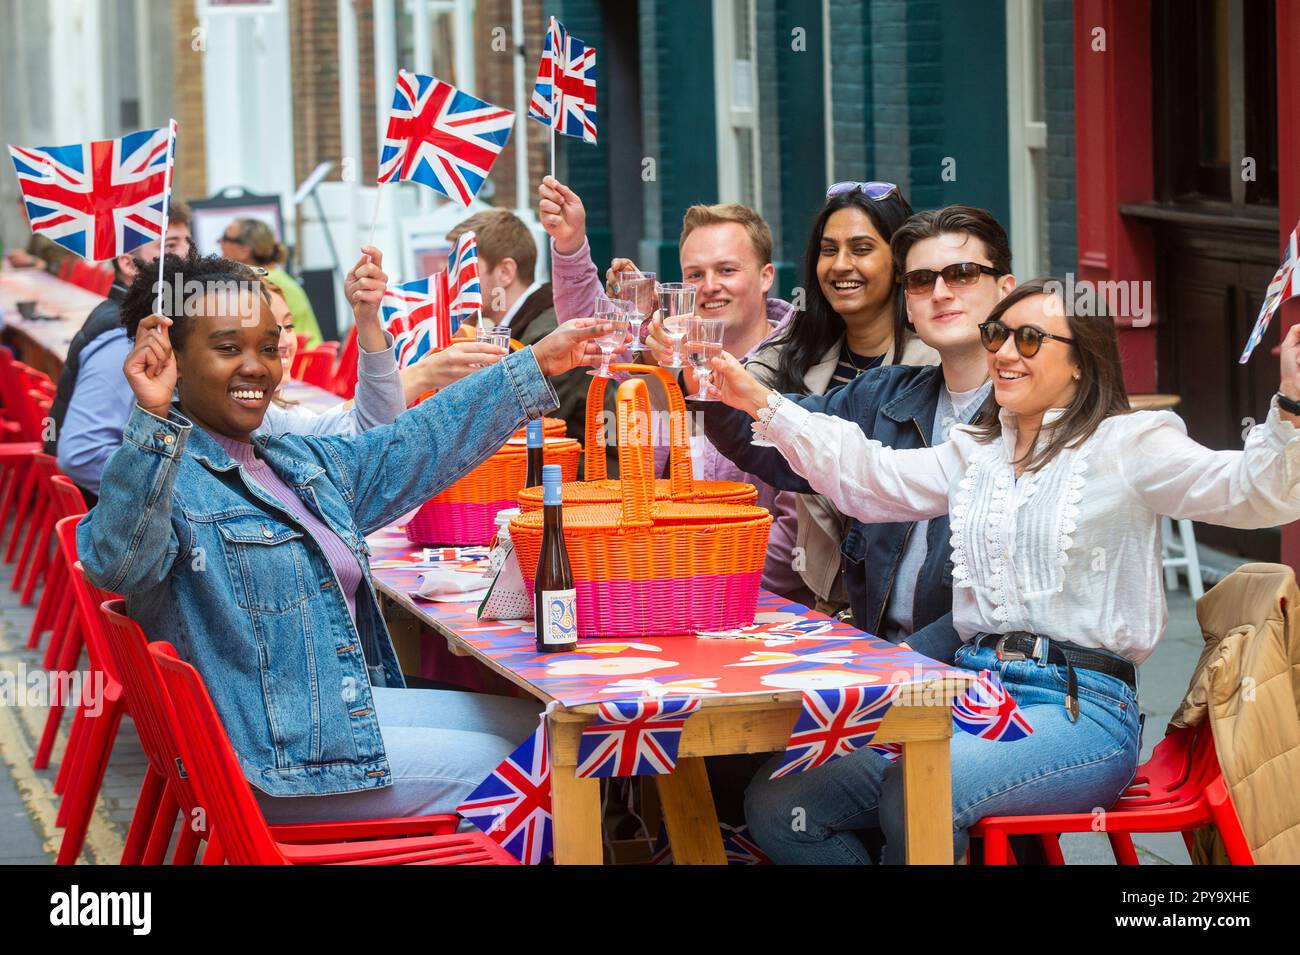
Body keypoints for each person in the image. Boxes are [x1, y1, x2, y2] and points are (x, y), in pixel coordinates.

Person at [709, 277, 1300, 864]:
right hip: (970, 696)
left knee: (920, 792)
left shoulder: (1129, 443)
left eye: (1031, 339)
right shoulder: (978, 451)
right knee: (780, 805)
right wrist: (755, 398)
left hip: (1081, 710)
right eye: (998, 334)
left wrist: (1293, 403)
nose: (1006, 353)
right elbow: (871, 479)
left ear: (1080, 363)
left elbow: (1251, 493)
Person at [77, 253, 610, 822]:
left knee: (555, 732)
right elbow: (117, 564)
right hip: (269, 761)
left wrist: (537, 365)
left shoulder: (285, 459)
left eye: (268, 345)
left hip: (326, 718)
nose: (257, 366)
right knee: (544, 771)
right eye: (229, 348)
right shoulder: (167, 477)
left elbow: (414, 443)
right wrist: (154, 421)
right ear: (171, 360)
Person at [702, 205, 1015, 657]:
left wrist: (903, 660)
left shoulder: (1030, 408)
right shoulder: (882, 393)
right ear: (908, 301)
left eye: (963, 274)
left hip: (985, 673)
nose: (941, 293)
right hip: (877, 658)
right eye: (922, 280)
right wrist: (703, 385)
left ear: (1005, 288)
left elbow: (1009, 589)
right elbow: (779, 447)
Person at [539, 175, 807, 602]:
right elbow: (594, 335)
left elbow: (800, 518)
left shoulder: (802, 362)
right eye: (694, 274)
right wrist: (571, 245)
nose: (709, 286)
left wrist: (726, 589)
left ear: (766, 276)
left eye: (727, 270)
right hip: (667, 585)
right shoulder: (668, 356)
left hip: (760, 602)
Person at [686, 183, 940, 618]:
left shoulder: (935, 363)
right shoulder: (796, 349)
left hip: (908, 616)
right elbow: (747, 430)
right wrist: (691, 365)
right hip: (824, 609)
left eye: (861, 248)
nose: (841, 265)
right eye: (829, 249)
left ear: (900, 264)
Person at [51, 202, 195, 505]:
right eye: (171, 245)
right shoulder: (124, 336)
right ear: (129, 264)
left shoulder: (136, 321)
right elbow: (81, 453)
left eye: (188, 242)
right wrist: (165, 498)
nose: (187, 256)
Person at [219, 218, 324, 348]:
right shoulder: (275, 276)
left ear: (244, 250)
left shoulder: (261, 281)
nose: (219, 242)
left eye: (225, 238)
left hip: (298, 359)